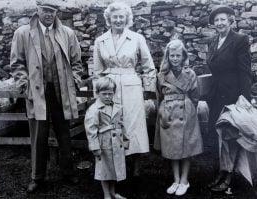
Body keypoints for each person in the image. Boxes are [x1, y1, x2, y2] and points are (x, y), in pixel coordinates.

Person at [10, 0, 83, 193]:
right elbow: (17, 64)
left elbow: (77, 61)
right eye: (45, 10)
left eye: (53, 10)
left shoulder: (67, 33)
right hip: (37, 93)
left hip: (61, 92)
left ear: (56, 12)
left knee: (64, 134)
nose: (49, 14)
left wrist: (74, 79)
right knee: (38, 136)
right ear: (38, 10)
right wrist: (25, 86)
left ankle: (68, 172)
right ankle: (37, 177)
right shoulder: (23, 33)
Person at [93, 2, 156, 176]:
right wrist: (98, 95)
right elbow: (97, 72)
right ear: (109, 19)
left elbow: (149, 67)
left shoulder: (137, 38)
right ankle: (114, 167)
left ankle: (135, 168)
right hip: (109, 88)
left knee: (133, 126)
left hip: (132, 87)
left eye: (122, 17)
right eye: (115, 17)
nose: (118, 20)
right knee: (111, 125)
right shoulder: (100, 40)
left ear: (127, 19)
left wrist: (148, 92)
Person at [206, 5, 254, 191]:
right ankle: (220, 172)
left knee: (230, 136)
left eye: (222, 19)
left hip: (232, 96)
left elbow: (245, 71)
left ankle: (229, 176)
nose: (219, 23)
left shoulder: (240, 40)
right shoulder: (212, 41)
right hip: (216, 96)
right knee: (216, 134)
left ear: (231, 20)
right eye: (216, 20)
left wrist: (245, 98)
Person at [154, 39, 203, 196]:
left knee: (186, 146)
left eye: (178, 55)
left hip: (186, 111)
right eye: (172, 55)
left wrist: (190, 110)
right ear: (167, 57)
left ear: (183, 56)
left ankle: (184, 180)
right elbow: (159, 96)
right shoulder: (161, 75)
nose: (175, 58)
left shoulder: (190, 74)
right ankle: (176, 180)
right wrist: (163, 111)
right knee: (171, 147)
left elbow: (195, 96)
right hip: (168, 112)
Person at [85, 77, 129, 199]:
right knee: (104, 170)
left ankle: (113, 192)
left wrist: (125, 140)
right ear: (97, 93)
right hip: (104, 143)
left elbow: (122, 125)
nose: (108, 97)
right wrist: (95, 147)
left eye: (110, 94)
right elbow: (91, 130)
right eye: (104, 94)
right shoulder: (94, 109)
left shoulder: (118, 107)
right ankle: (106, 195)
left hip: (117, 143)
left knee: (115, 169)